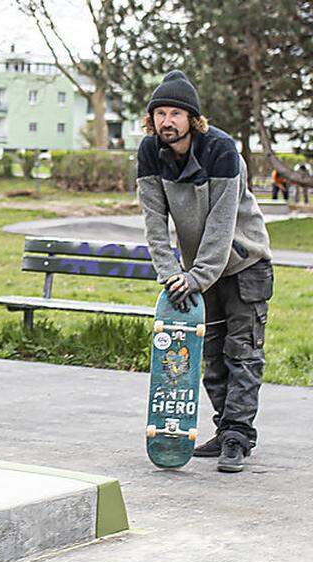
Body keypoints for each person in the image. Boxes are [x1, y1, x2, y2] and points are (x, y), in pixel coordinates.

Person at [137, 70, 274, 473]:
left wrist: (196, 275)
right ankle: (224, 429)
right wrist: (169, 274)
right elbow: (154, 222)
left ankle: (237, 437)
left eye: (175, 113)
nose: (166, 121)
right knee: (209, 353)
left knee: (242, 354)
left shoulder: (221, 150)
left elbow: (221, 224)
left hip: (244, 263)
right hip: (199, 272)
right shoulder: (149, 153)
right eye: (159, 113)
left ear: (191, 119)